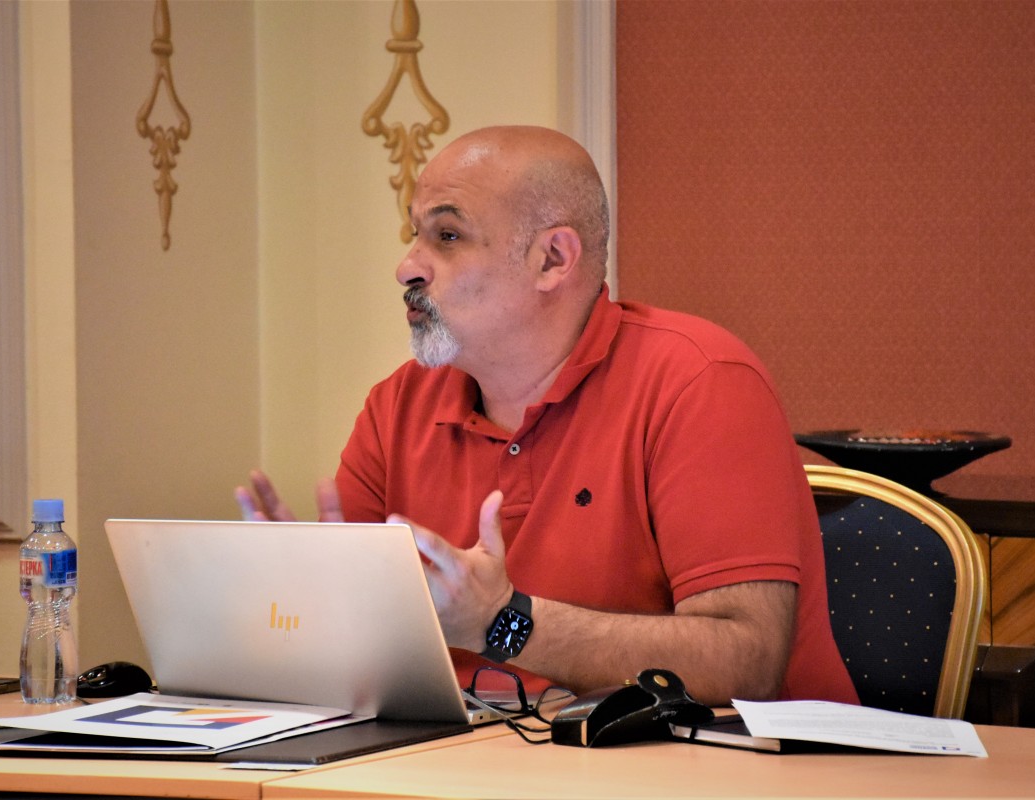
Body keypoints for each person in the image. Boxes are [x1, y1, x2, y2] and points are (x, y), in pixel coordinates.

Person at [237, 125, 858, 707]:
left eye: (447, 236)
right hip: (462, 762)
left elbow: (746, 661)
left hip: (715, 767)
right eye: (415, 234)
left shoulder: (700, 381)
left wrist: (503, 623)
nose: (407, 267)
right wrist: (302, 610)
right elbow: (360, 655)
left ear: (553, 259)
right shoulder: (396, 407)